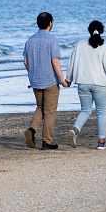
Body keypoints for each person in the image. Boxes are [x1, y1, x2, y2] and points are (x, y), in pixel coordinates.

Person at [66, 20, 106, 150]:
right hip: (99, 83)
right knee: (101, 112)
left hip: (82, 83)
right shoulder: (104, 46)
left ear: (89, 30)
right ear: (101, 31)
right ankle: (101, 143)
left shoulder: (80, 44)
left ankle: (75, 129)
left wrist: (69, 79)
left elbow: (71, 63)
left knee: (85, 110)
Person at [23, 12, 70, 150]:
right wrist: (63, 81)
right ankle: (46, 141)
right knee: (50, 111)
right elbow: (55, 62)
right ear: (50, 23)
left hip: (35, 81)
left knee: (40, 107)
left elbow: (26, 62)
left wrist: (32, 74)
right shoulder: (52, 40)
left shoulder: (29, 40)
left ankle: (31, 130)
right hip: (50, 81)